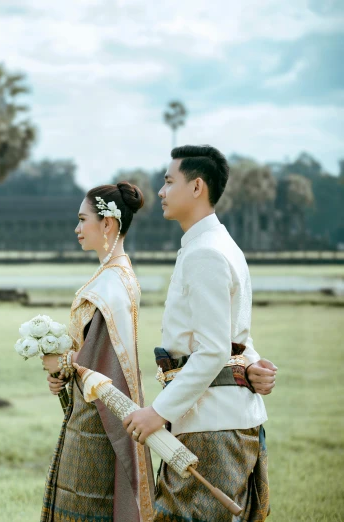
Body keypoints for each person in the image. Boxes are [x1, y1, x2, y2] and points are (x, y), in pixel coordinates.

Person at [123, 145, 277, 521]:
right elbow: (233, 336)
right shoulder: (218, 245)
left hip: (211, 425)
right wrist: (253, 363)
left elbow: (212, 350)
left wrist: (158, 412)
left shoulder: (205, 252)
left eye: (168, 181)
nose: (160, 191)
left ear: (197, 187)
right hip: (227, 420)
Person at [41, 182, 155, 522]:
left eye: (82, 219)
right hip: (91, 410)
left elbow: (100, 361)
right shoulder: (115, 276)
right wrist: (63, 373)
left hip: (97, 420)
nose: (77, 228)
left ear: (107, 224)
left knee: (87, 506)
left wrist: (60, 362)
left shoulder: (111, 285)